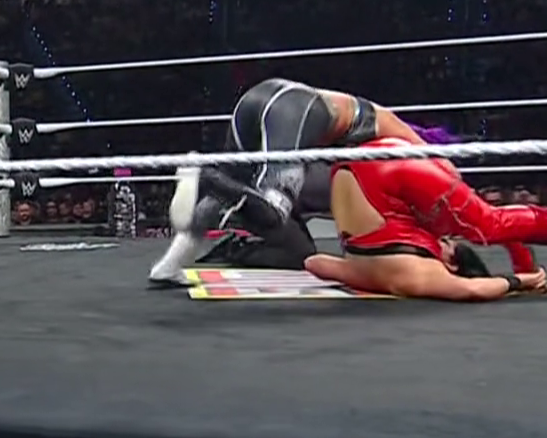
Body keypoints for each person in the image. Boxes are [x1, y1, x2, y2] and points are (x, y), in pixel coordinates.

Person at [147, 78, 444, 285]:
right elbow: (437, 164)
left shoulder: (371, 178)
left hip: (263, 107)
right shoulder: (397, 140)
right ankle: (204, 173)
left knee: (297, 251)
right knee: (272, 211)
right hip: (292, 111)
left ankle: (170, 265)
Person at [302, 137, 547, 300]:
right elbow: (316, 263)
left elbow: (471, 289)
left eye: (451, 245)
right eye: (450, 244)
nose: (448, 241)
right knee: (484, 224)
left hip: (381, 173)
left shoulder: (420, 277)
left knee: (487, 225)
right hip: (353, 170)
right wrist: (521, 273)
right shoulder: (388, 274)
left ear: (449, 263)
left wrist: (520, 279)